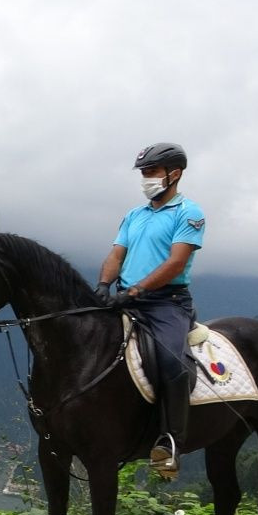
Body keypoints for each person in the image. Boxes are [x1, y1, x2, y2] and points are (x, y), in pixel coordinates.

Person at [93, 142, 205, 477]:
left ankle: (170, 443)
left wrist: (137, 290)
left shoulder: (190, 213)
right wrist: (102, 286)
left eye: (152, 171)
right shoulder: (134, 215)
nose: (146, 179)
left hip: (166, 303)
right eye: (143, 172)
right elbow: (116, 255)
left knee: (173, 362)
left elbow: (176, 262)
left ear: (175, 173)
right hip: (124, 296)